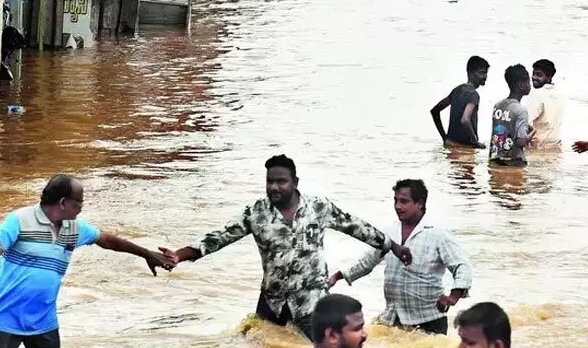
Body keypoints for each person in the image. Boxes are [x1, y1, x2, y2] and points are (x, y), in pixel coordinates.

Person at [162, 156, 411, 340]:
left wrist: (394, 247)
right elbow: (219, 238)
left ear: (294, 182)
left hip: (311, 300)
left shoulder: (318, 208)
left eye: (281, 181)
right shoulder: (256, 213)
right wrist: (180, 255)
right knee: (257, 341)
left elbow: (356, 227)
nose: (274, 187)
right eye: (270, 182)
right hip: (272, 301)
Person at [0, 176, 173, 346]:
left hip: (44, 322)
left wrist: (147, 254)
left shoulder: (75, 229)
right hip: (4, 320)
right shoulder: (18, 221)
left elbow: (108, 241)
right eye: (79, 203)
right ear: (63, 202)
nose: (82, 208)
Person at [331, 180, 473, 335]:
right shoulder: (390, 232)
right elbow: (367, 261)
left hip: (428, 319)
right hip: (392, 318)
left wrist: (453, 296)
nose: (398, 206)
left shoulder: (437, 234)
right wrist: (337, 277)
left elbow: (462, 266)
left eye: (404, 201)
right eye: (396, 201)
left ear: (419, 203)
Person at [431, 56, 489, 148]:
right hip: (464, 148)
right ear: (471, 73)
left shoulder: (457, 90)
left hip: (450, 144)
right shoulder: (474, 95)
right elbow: (465, 120)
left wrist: (444, 137)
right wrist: (475, 142)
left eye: (486, 73)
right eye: (481, 73)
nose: (485, 76)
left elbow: (435, 111)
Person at [488, 64, 533, 167]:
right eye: (528, 82)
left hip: (495, 159)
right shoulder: (521, 110)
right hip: (514, 163)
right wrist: (533, 132)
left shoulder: (498, 105)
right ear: (521, 85)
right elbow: (521, 141)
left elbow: (503, 128)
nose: (530, 86)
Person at [527, 59, 564, 149]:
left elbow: (526, 123)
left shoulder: (538, 94)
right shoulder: (559, 93)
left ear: (548, 77)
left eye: (539, 75)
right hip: (555, 148)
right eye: (533, 73)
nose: (534, 77)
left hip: (538, 150)